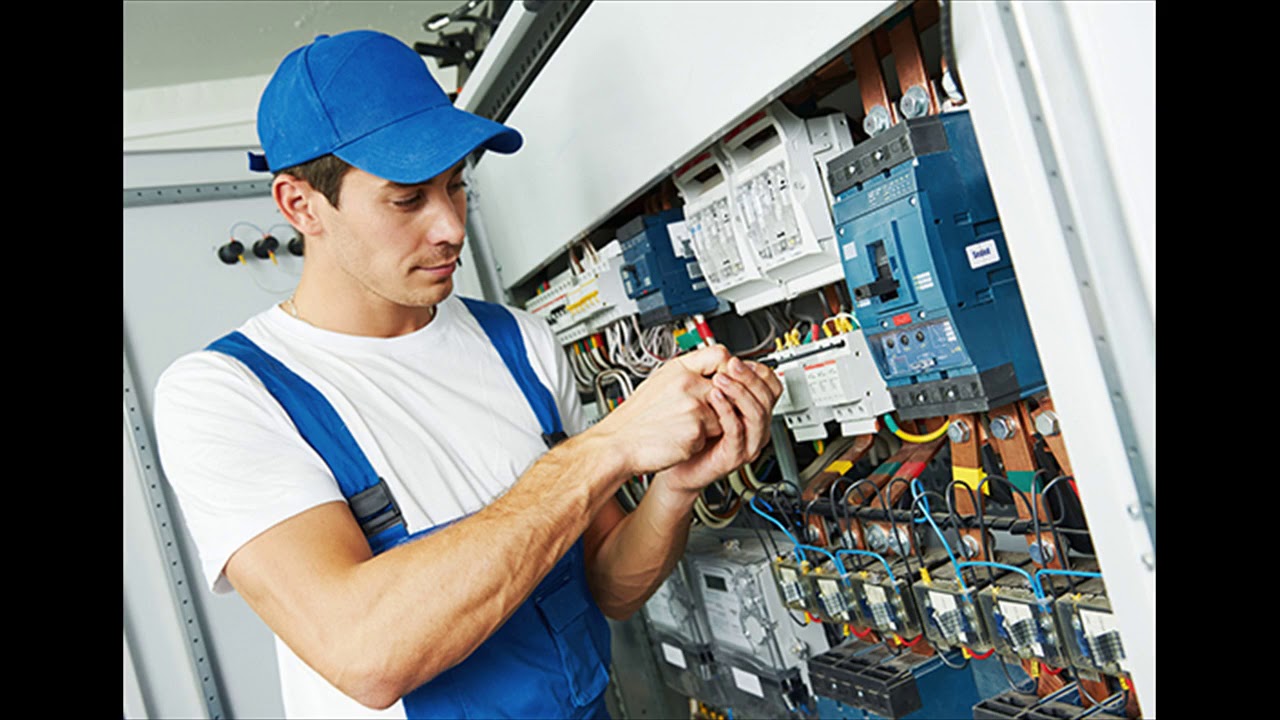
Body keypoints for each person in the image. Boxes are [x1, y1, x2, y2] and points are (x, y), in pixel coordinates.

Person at [153, 29, 782, 719]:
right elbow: (364, 652)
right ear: (300, 205)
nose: (450, 226)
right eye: (408, 199)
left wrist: (674, 491)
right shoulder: (226, 395)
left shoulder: (519, 343)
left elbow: (610, 587)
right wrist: (606, 448)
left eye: (456, 186)